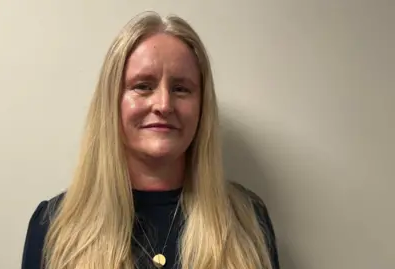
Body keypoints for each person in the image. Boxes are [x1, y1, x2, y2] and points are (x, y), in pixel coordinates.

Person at [21, 11, 280, 269]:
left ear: (203, 106)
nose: (164, 105)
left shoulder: (247, 221)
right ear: (112, 100)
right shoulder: (53, 225)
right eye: (143, 86)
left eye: (181, 88)